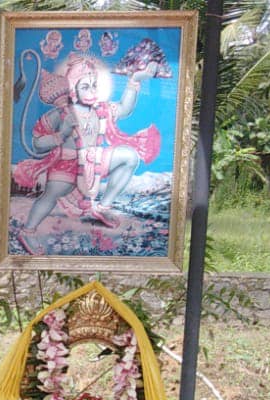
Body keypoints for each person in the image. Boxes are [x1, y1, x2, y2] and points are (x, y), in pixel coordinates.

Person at [12, 53, 162, 254]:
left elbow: (125, 109)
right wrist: (61, 135)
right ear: (73, 90)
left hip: (94, 160)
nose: (91, 91)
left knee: (130, 157)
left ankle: (103, 207)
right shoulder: (61, 114)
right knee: (52, 194)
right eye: (85, 86)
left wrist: (134, 81)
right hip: (67, 163)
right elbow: (37, 143)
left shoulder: (101, 109)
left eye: (93, 85)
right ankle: (28, 231)